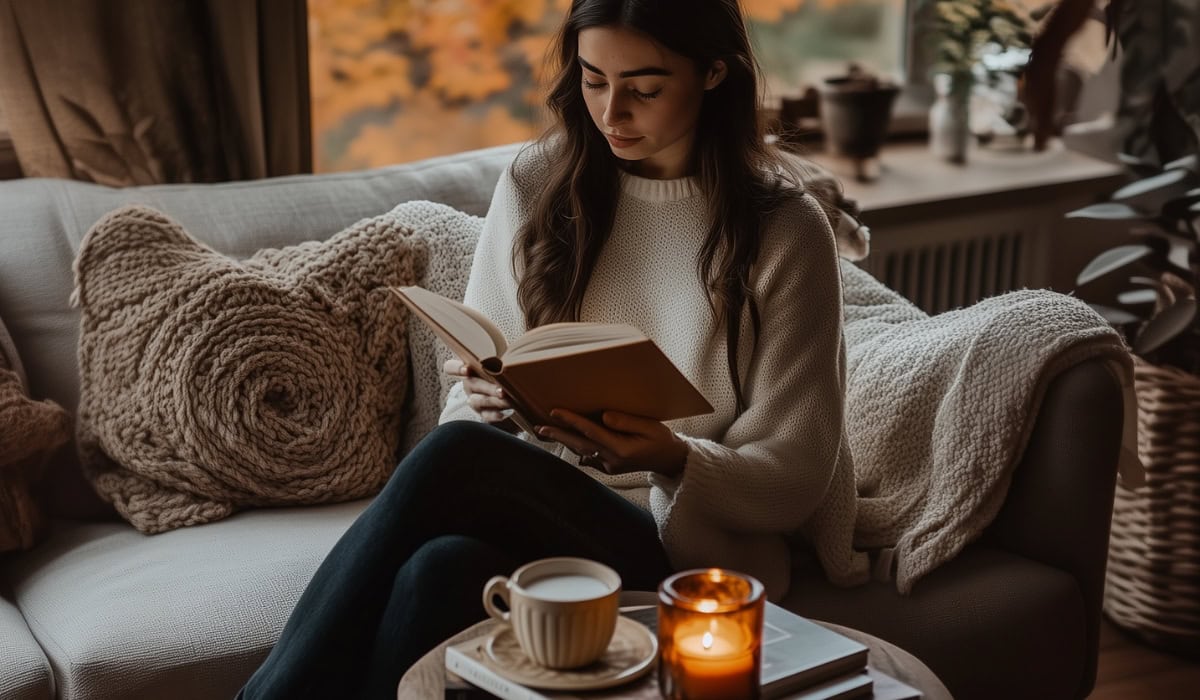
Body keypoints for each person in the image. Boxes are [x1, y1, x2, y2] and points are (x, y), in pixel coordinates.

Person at [239, 1, 866, 697]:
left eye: (644, 88)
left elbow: (795, 473)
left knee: (455, 459)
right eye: (593, 79)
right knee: (438, 570)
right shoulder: (540, 182)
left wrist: (671, 456)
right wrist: (486, 399)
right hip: (539, 508)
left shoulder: (784, 230)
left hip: (684, 550)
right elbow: (473, 394)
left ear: (715, 72)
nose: (611, 112)